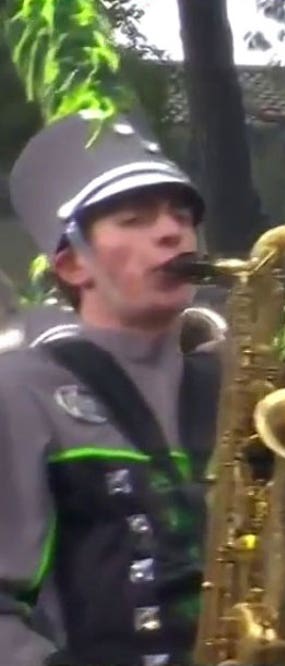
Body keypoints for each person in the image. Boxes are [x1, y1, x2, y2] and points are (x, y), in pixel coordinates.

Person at [0, 113, 217, 666]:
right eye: (135, 219)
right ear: (73, 264)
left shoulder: (235, 388)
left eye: (182, 216)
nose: (171, 232)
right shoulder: (20, 392)